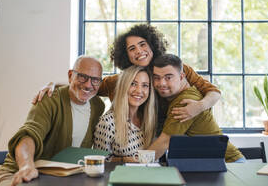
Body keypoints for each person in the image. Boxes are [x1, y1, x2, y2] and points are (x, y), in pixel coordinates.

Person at [33, 24, 221, 123]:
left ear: (152, 46)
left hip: (170, 138)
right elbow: (88, 86)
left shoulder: (178, 70)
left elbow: (213, 92)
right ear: (126, 56)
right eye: (132, 49)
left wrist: (200, 106)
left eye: (142, 45)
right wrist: (55, 85)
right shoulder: (119, 81)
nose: (139, 51)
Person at [0, 56, 105, 186]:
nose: (88, 84)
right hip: (19, 172)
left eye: (95, 80)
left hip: (59, 179)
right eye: (82, 77)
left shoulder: (98, 106)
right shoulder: (50, 98)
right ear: (71, 75)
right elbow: (29, 134)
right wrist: (26, 165)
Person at [147, 54, 244, 163]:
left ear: (181, 77)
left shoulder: (184, 102)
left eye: (168, 77)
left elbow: (164, 142)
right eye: (157, 78)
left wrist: (134, 162)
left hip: (230, 164)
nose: (162, 83)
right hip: (213, 164)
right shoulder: (181, 95)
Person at [93, 66, 156, 160]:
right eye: (133, 84)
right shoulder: (107, 122)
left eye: (145, 85)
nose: (139, 91)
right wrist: (125, 160)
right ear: (123, 86)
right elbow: (100, 161)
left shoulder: (150, 119)